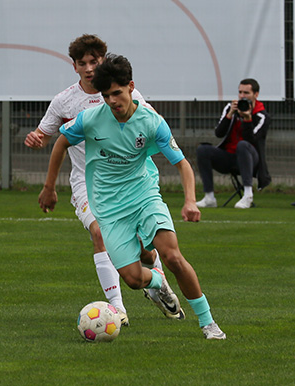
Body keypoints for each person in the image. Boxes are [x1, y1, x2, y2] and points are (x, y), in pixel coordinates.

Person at [41, 53, 226, 339]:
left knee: (173, 256)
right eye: (106, 96)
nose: (113, 101)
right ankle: (157, 282)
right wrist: (49, 187)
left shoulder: (151, 121)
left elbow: (182, 164)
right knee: (132, 279)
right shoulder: (90, 120)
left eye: (117, 93)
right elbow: (61, 142)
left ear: (131, 86)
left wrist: (190, 200)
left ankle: (208, 323)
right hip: (109, 208)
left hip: (144, 197)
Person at [25, 34, 185, 325]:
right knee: (98, 235)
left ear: (103, 62)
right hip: (87, 185)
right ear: (74, 66)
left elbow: (149, 126)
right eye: (82, 63)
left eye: (94, 62)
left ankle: (157, 283)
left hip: (127, 183)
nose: (88, 68)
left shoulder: (129, 96)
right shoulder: (64, 101)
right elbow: (48, 136)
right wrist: (41, 153)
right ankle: (117, 310)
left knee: (144, 250)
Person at [196, 78, 271, 209]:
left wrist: (248, 119)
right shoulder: (230, 108)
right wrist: (230, 114)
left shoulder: (262, 116)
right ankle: (209, 197)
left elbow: (252, 141)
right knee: (203, 149)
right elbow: (219, 133)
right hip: (229, 157)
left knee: (242, 145)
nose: (242, 96)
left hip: (251, 161)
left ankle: (248, 195)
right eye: (240, 92)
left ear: (256, 95)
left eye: (246, 93)